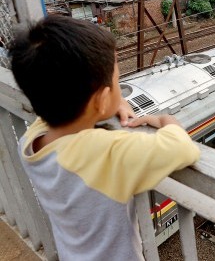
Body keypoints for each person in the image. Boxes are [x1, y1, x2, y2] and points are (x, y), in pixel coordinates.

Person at [8, 15, 200, 260]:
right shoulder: (106, 151)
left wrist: (110, 102)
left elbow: (55, 101)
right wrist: (165, 120)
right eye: (117, 80)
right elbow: (184, 148)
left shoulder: (30, 141)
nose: (119, 86)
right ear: (100, 99)